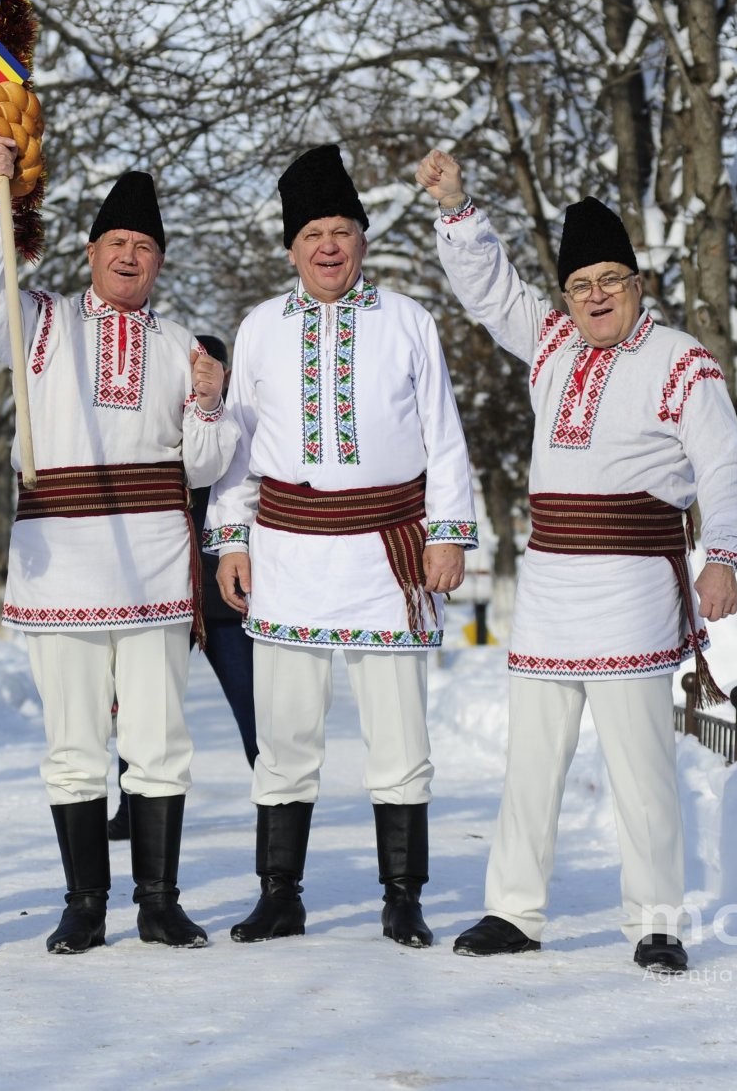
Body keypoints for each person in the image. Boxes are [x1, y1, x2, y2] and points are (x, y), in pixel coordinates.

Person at [416, 148, 737, 973]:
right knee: (532, 761)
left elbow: (724, 466)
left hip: (634, 584)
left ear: (638, 283)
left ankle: (656, 923)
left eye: (611, 278)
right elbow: (490, 289)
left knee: (640, 765)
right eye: (580, 284)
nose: (595, 295)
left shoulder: (681, 359)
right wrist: (457, 206)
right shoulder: (552, 344)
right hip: (550, 583)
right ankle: (513, 912)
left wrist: (723, 555)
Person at [0, 140, 239, 953]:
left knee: (158, 742)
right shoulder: (38, 319)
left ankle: (159, 901)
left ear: (159, 263)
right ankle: (84, 904)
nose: (130, 256)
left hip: (151, 564)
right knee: (73, 745)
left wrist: (210, 404)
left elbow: (207, 467)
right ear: (90, 252)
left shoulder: (186, 346)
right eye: (117, 243)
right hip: (59, 564)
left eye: (145, 247)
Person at [206, 144, 478, 949]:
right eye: (314, 233)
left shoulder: (408, 321)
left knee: (399, 739)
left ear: (364, 239)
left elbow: (446, 437)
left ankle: (403, 897)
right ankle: (278, 895)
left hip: (388, 556)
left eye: (343, 231)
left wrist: (449, 533)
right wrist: (231, 542)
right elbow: (236, 447)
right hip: (288, 554)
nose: (330, 246)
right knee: (284, 738)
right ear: (291, 247)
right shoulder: (258, 329)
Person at [109, 334, 259, 842]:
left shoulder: (234, 427)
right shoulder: (156, 427)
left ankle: (274, 794)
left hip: (224, 601)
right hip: (163, 592)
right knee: (139, 704)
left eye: (210, 370)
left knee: (254, 704)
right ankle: (131, 804)